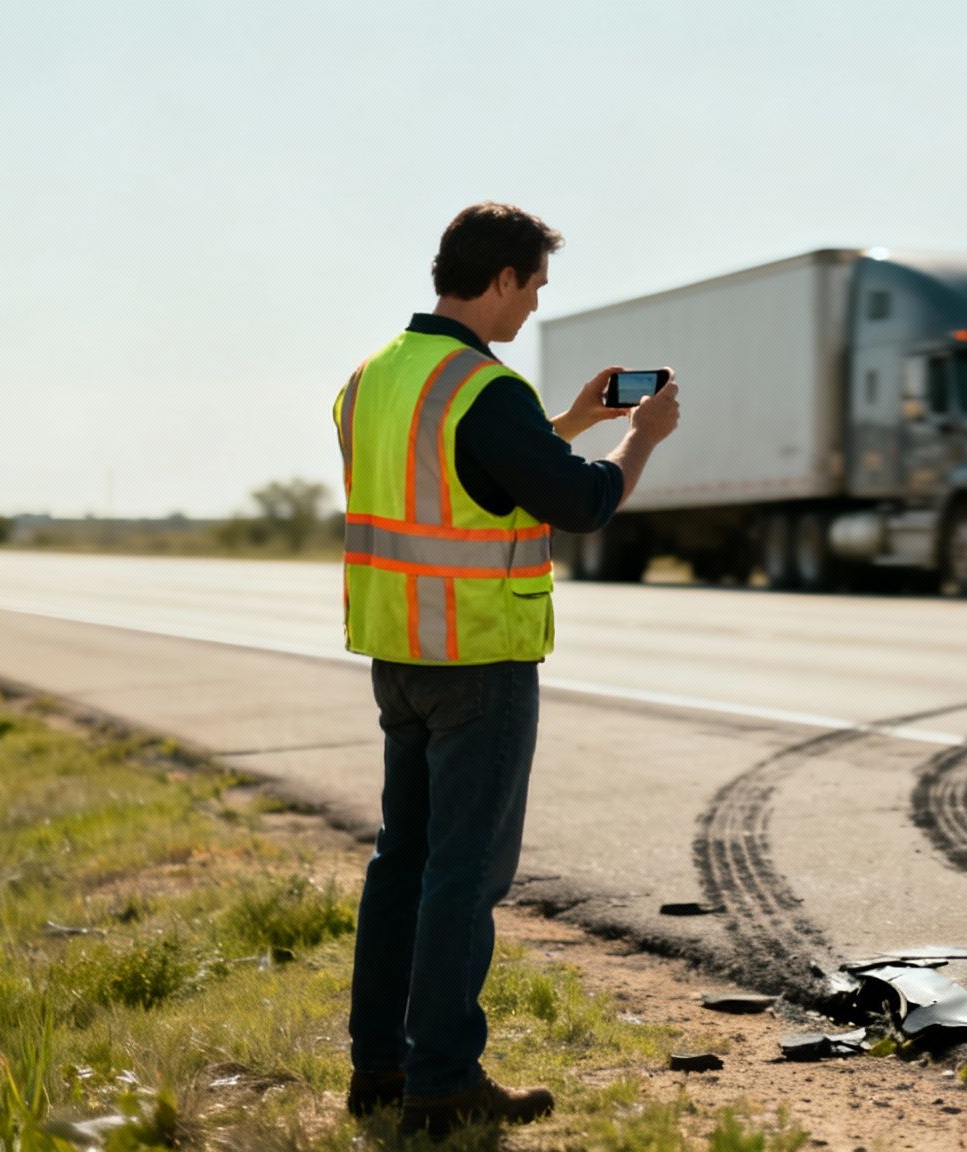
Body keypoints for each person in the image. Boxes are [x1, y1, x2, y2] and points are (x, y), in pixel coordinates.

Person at [332, 202, 680, 1137]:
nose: (533, 308)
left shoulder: (372, 379)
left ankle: (379, 1071)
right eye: (534, 288)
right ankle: (443, 1082)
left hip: (397, 652)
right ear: (501, 281)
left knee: (399, 865)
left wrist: (564, 417)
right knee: (463, 876)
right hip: (478, 658)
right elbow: (583, 501)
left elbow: (458, 474)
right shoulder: (486, 388)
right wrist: (639, 437)